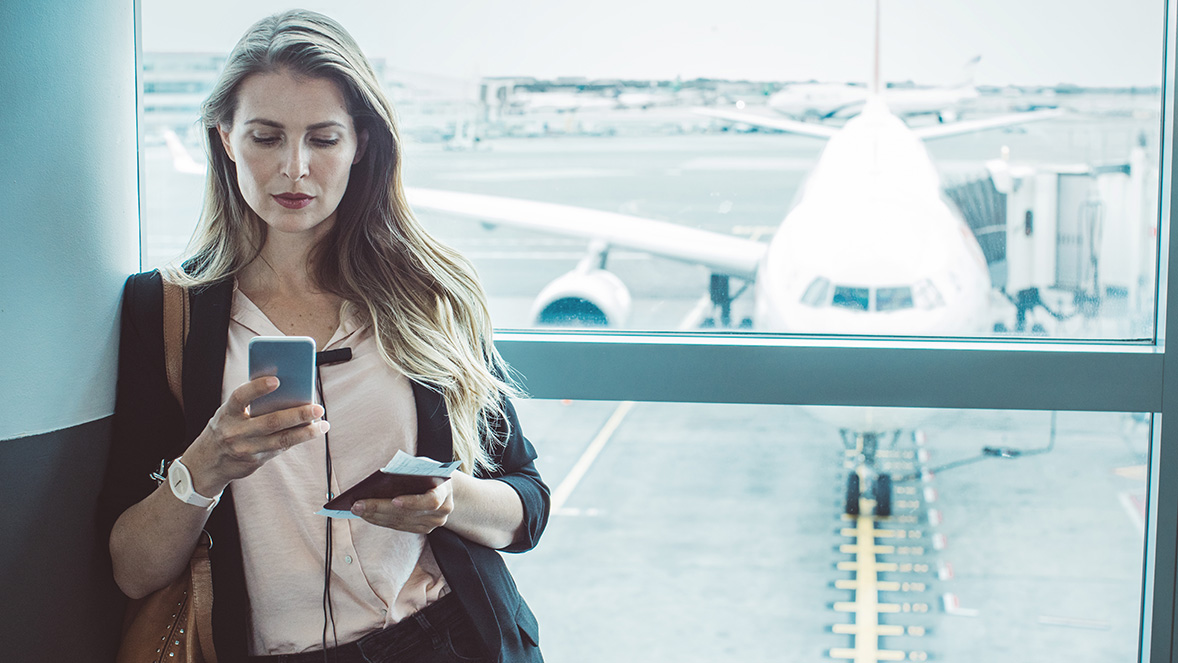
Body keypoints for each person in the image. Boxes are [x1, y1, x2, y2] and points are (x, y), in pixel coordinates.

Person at [98, 10, 548, 663]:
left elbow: (527, 505)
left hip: (451, 638)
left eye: (323, 138)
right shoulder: (164, 310)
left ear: (362, 142)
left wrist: (447, 503)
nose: (295, 168)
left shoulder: (429, 292)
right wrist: (208, 463)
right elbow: (131, 570)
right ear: (226, 139)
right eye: (267, 136)